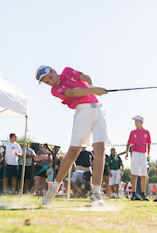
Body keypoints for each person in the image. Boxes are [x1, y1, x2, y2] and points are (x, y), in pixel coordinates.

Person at [37, 66, 110, 206]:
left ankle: (96, 193)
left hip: (99, 110)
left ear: (54, 70)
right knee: (73, 152)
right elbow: (71, 92)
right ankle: (53, 188)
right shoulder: (55, 90)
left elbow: (85, 77)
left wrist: (92, 85)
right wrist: (93, 90)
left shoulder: (67, 71)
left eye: (50, 78)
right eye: (47, 82)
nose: (51, 83)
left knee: (100, 149)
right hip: (82, 113)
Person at [126, 115, 151, 201]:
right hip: (135, 153)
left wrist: (148, 154)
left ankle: (143, 194)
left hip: (143, 154)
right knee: (135, 174)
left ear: (141, 122)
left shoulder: (146, 132)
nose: (135, 123)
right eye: (135, 121)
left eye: (137, 121)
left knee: (144, 174)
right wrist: (126, 153)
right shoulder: (133, 132)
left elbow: (149, 144)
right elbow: (128, 143)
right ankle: (133, 193)